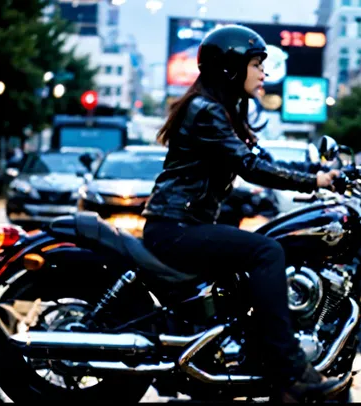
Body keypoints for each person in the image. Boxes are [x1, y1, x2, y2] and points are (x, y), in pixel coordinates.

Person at [140, 25, 341, 402]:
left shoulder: (217, 110)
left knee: (256, 259)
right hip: (175, 227)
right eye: (256, 63)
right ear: (230, 69)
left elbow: (259, 159)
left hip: (183, 223)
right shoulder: (206, 112)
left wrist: (317, 174)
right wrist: (317, 181)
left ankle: (247, 363)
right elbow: (250, 166)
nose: (263, 72)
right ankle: (289, 370)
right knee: (268, 252)